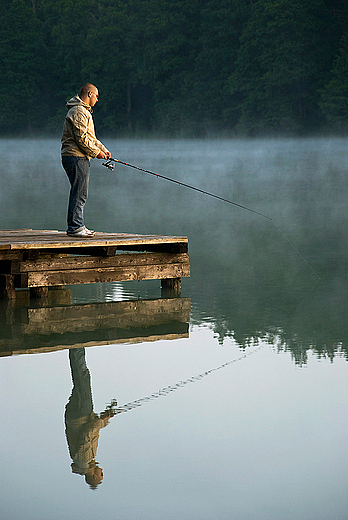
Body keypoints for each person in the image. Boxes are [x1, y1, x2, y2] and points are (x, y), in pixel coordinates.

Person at [61, 83, 111, 237]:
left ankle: (77, 225)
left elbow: (91, 138)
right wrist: (97, 153)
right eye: (96, 96)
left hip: (79, 157)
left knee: (80, 192)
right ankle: (75, 227)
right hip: (75, 156)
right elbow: (81, 139)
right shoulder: (78, 111)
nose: (97, 100)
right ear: (89, 94)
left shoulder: (83, 112)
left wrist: (103, 150)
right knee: (80, 192)